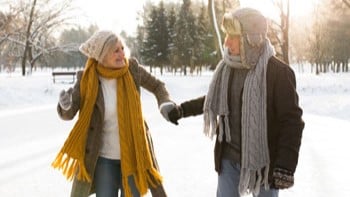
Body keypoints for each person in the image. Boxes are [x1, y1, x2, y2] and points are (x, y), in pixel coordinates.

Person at [167, 8, 305, 197]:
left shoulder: (278, 73)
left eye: (233, 36)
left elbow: (291, 122)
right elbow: (212, 100)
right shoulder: (227, 67)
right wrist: (181, 110)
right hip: (229, 158)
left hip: (265, 163)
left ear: (251, 38)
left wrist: (285, 165)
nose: (226, 42)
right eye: (227, 35)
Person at [52, 30, 176, 197]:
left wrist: (165, 102)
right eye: (115, 50)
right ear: (102, 56)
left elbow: (157, 86)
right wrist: (65, 106)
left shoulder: (132, 69)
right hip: (104, 160)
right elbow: (69, 112)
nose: (122, 54)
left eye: (122, 48)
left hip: (134, 156)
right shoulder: (87, 78)